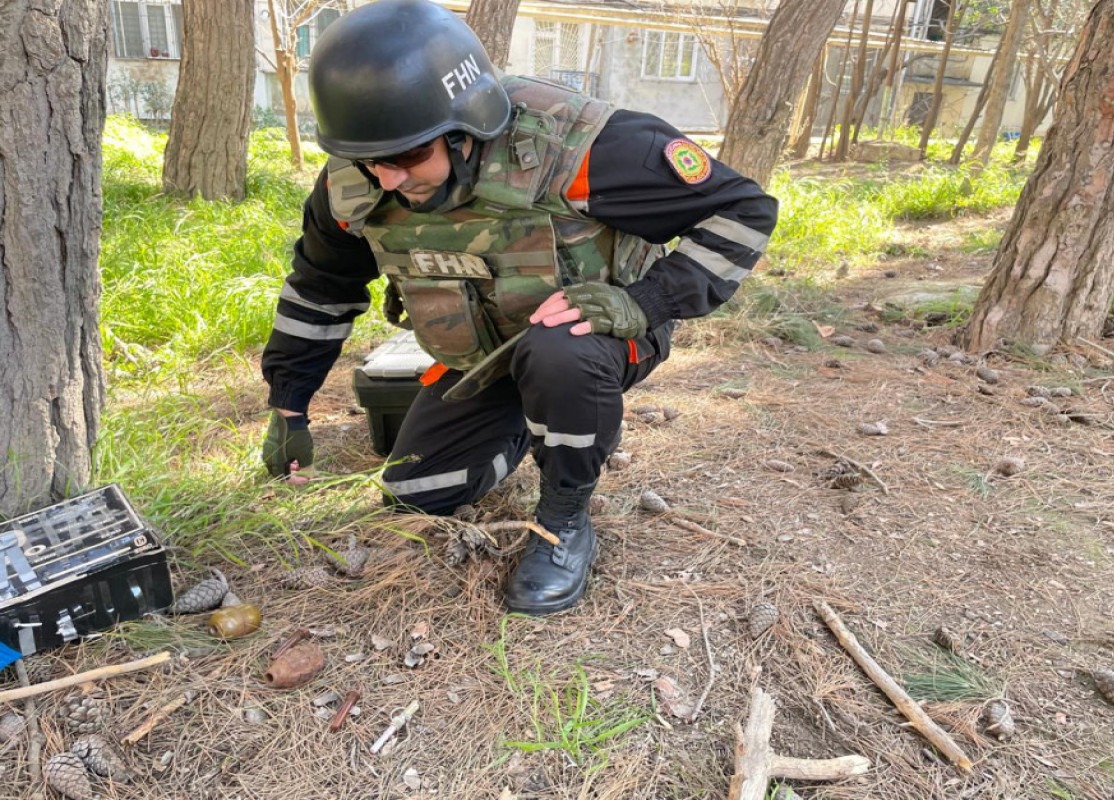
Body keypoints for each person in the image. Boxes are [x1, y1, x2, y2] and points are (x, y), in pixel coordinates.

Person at [261, 0, 777, 615]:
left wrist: (644, 302)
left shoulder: (585, 147)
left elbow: (745, 211)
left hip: (595, 340)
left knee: (562, 349)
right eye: (371, 162)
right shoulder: (358, 178)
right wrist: (289, 403)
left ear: (465, 128)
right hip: (485, 353)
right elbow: (321, 286)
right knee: (416, 493)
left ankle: (564, 519)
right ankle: (521, 421)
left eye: (405, 159)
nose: (388, 180)